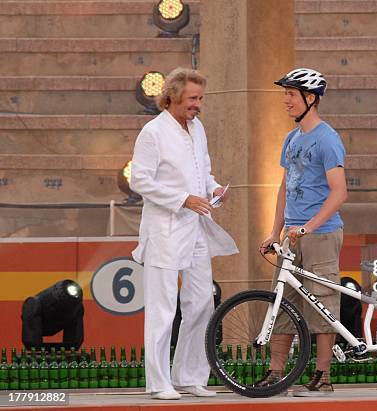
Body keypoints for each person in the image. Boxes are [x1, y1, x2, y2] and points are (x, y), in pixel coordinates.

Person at [130, 67, 238, 400]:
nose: (198, 105)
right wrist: (183, 199)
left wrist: (213, 187)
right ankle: (159, 382)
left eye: (200, 98)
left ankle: (189, 376)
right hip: (164, 229)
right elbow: (140, 180)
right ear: (174, 96)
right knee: (162, 308)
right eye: (193, 98)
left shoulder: (197, 127)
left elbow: (201, 169)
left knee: (202, 302)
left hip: (196, 229)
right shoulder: (152, 132)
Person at [259, 68, 348, 396]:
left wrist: (308, 227)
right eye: (285, 94)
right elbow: (285, 187)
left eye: (291, 94)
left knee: (323, 303)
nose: (286, 100)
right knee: (282, 301)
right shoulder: (291, 138)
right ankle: (277, 372)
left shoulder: (327, 139)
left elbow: (339, 192)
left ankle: (323, 374)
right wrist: (274, 231)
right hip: (292, 237)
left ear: (310, 99)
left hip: (321, 234)